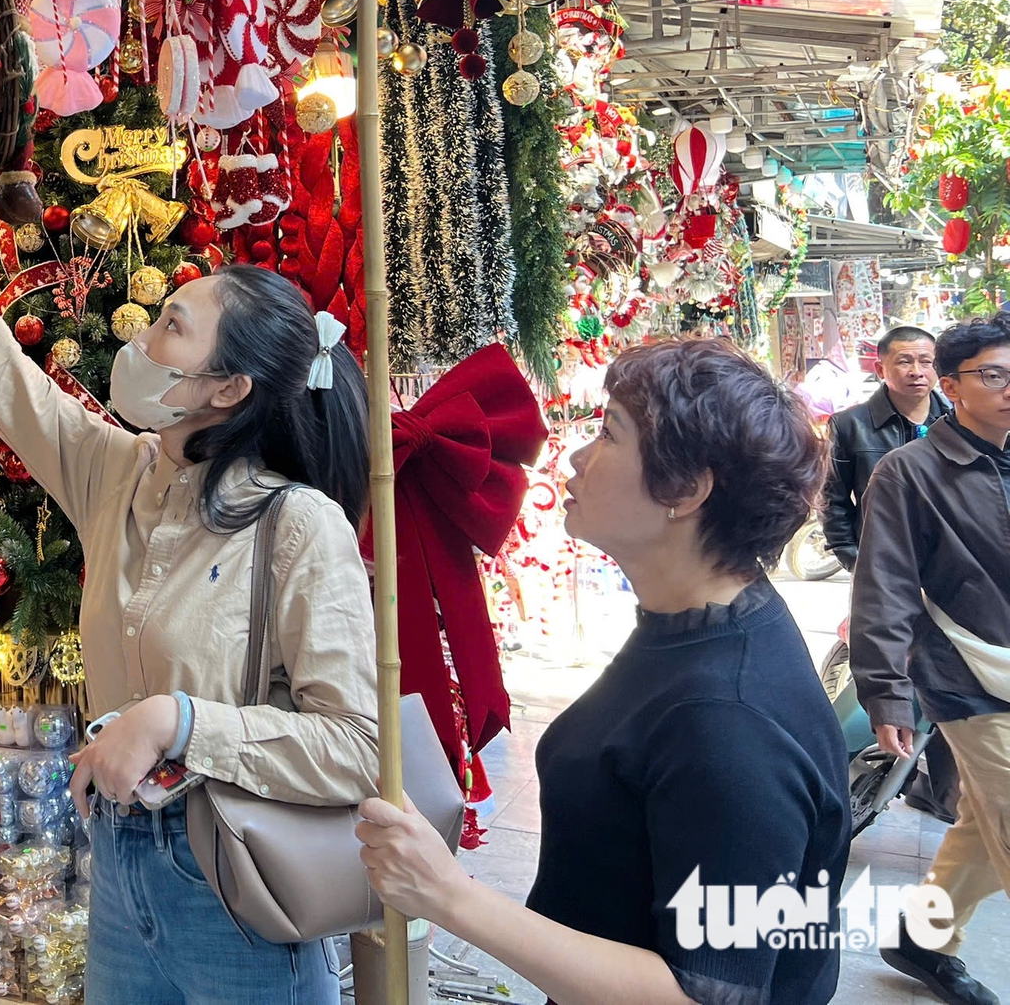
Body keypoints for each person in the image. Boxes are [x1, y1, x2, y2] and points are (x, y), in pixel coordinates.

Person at [0, 110, 379, 1005]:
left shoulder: (298, 527)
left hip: (239, 887)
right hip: (121, 874)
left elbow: (357, 748)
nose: (142, 338)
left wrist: (180, 722)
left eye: (171, 326)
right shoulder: (119, 475)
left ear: (226, 387)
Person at [356, 338, 849, 1005]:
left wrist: (449, 896)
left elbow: (706, 994)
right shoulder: (694, 621)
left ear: (686, 490)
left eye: (610, 434)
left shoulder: (728, 722)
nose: (577, 457)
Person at [852, 311, 1010, 1005]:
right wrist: (885, 690)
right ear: (952, 385)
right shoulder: (909, 472)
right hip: (964, 674)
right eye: (994, 375)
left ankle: (923, 936)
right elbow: (883, 583)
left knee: (985, 825)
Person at [823, 324, 944, 570]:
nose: (916, 372)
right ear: (880, 369)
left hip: (949, 564)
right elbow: (831, 499)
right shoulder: (849, 425)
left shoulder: (957, 421)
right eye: (904, 362)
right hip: (879, 562)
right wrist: (854, 559)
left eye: (926, 362)